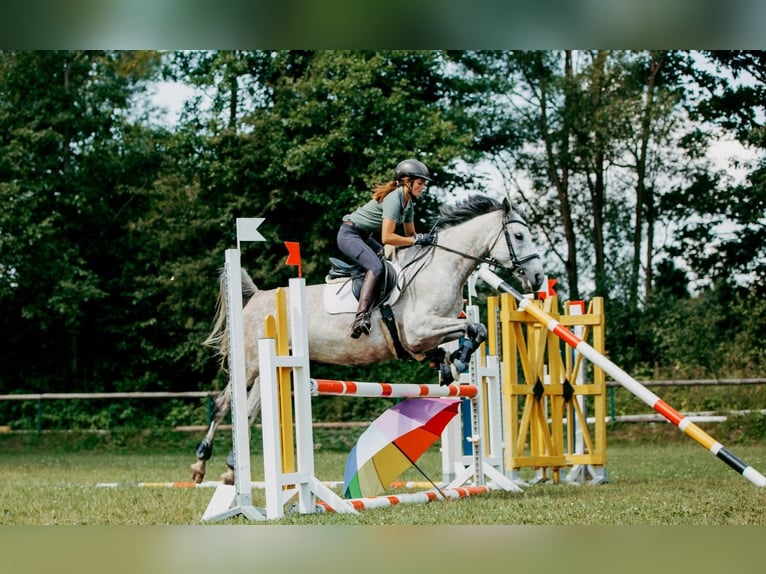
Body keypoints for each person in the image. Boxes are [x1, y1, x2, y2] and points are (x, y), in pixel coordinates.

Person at [337, 158, 436, 339]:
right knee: (376, 267)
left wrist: (425, 239)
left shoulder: (409, 204)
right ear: (408, 182)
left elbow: (411, 236)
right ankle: (360, 317)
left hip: (364, 237)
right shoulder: (394, 198)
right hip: (349, 235)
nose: (423, 188)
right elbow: (387, 238)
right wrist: (416, 240)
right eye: (420, 183)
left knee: (389, 264)